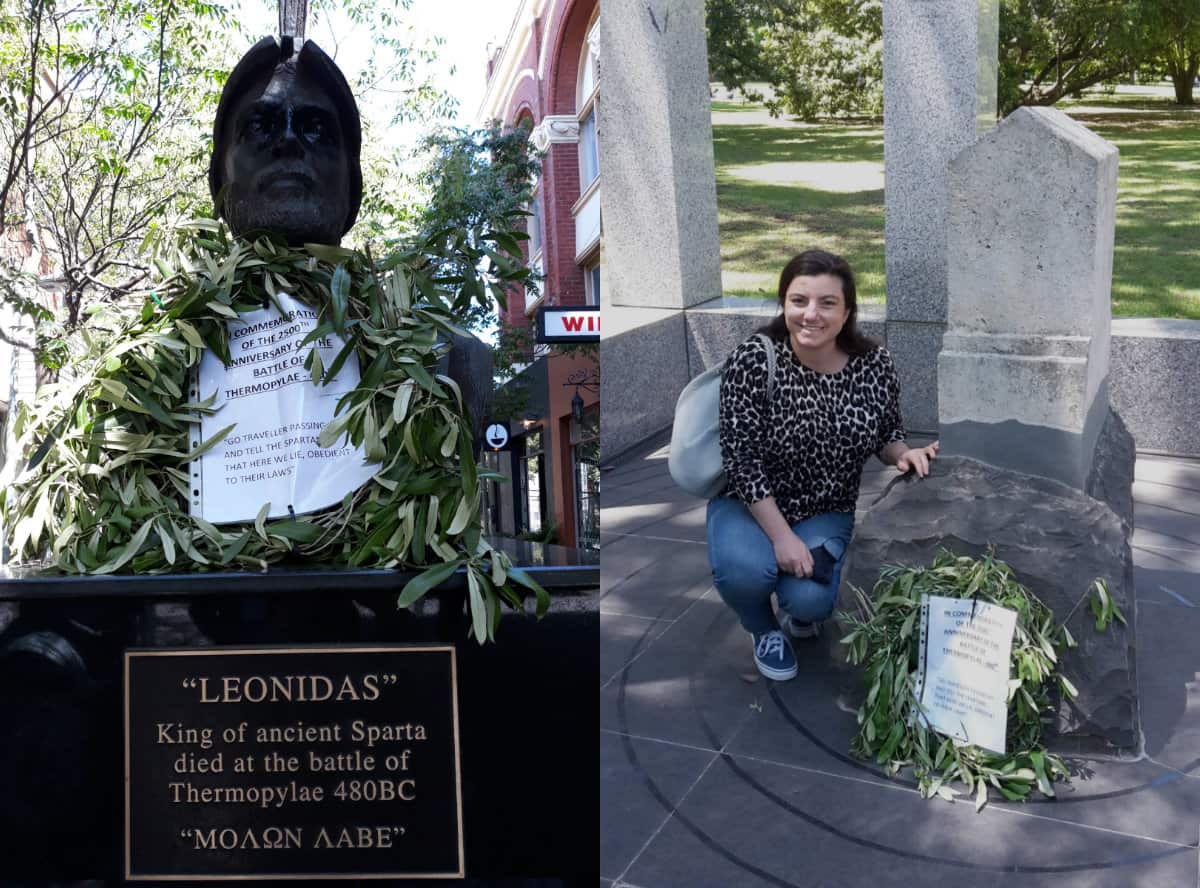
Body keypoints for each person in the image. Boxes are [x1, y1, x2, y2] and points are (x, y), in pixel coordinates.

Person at [707, 249, 938, 681]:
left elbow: (887, 432)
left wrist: (903, 453)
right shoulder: (754, 360)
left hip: (825, 508)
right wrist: (780, 538)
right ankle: (762, 628)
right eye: (799, 301)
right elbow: (741, 459)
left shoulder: (875, 365)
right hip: (749, 502)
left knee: (810, 601)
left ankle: (798, 610)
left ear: (847, 310)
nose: (811, 314)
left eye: (826, 303)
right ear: (784, 304)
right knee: (746, 573)